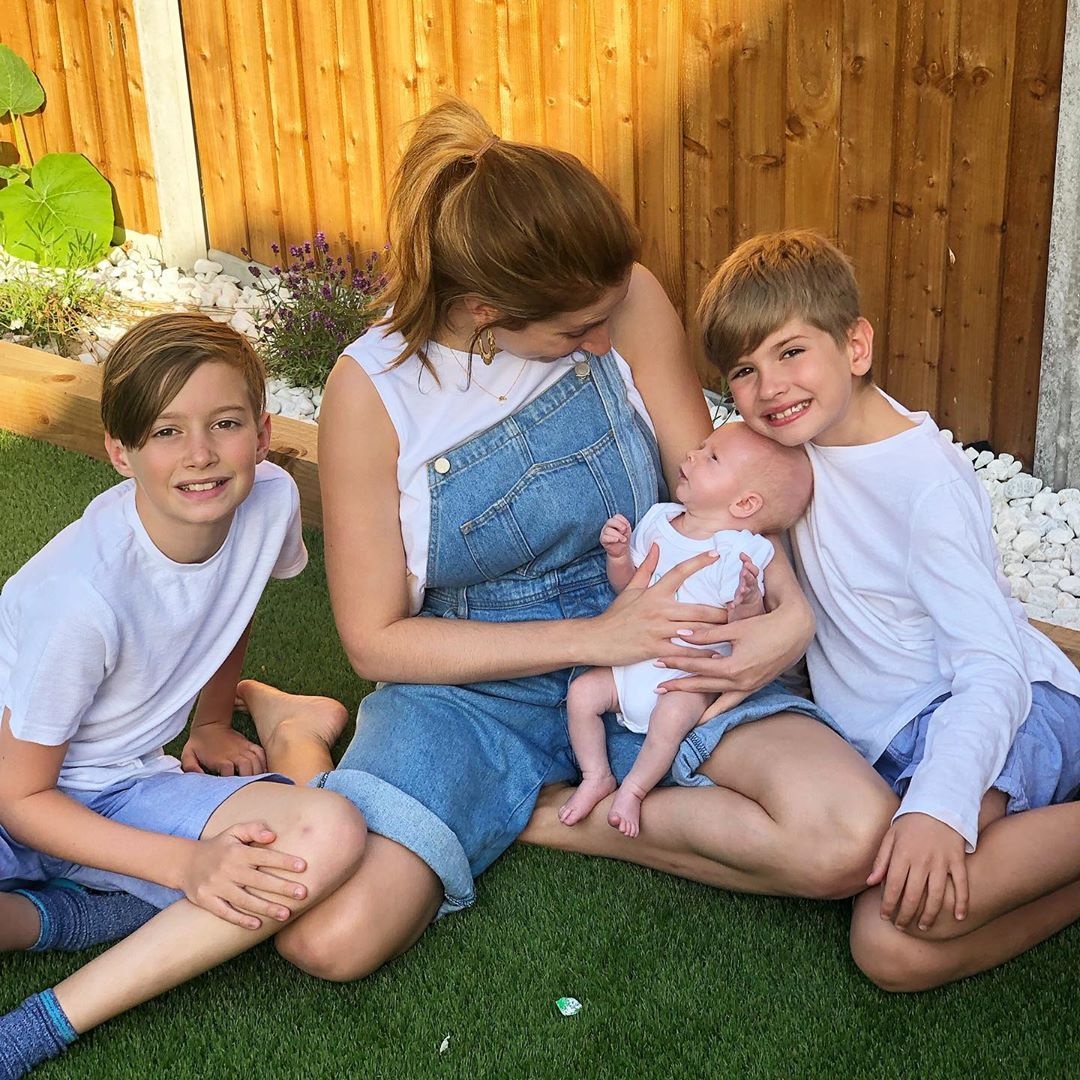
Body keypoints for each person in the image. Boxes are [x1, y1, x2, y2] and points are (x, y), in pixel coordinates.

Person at [256, 100, 896, 985]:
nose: (601, 341)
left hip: (660, 640)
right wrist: (596, 639)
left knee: (847, 838)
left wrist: (789, 619)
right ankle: (305, 732)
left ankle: (544, 814)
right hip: (472, 685)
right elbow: (376, 643)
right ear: (484, 310)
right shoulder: (374, 392)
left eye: (605, 319)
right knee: (331, 941)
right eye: (573, 334)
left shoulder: (623, 293)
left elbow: (708, 485)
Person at [697, 229, 1080, 990]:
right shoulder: (791, 457)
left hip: (1000, 710)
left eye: (791, 352)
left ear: (857, 347)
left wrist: (939, 808)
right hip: (897, 736)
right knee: (891, 954)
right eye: (744, 369)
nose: (769, 386)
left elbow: (991, 665)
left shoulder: (924, 484)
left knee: (911, 910)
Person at [0, 313, 367, 1077]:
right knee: (215, 875)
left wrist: (208, 721)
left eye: (224, 423)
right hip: (21, 789)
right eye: (165, 433)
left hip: (123, 784)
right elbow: (23, 797)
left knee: (328, 836)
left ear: (262, 433)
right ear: (119, 452)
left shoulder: (268, 500)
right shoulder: (82, 599)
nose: (200, 455)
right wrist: (181, 866)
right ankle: (78, 911)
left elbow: (226, 603)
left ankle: (42, 1021)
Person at [558, 423, 813, 836]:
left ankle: (636, 790)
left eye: (711, 457)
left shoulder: (740, 553)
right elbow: (629, 591)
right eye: (700, 446)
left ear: (746, 502)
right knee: (582, 693)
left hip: (688, 676)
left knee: (672, 719)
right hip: (634, 660)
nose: (692, 456)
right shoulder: (661, 519)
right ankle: (596, 775)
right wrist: (620, 556)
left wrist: (747, 600)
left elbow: (743, 633)